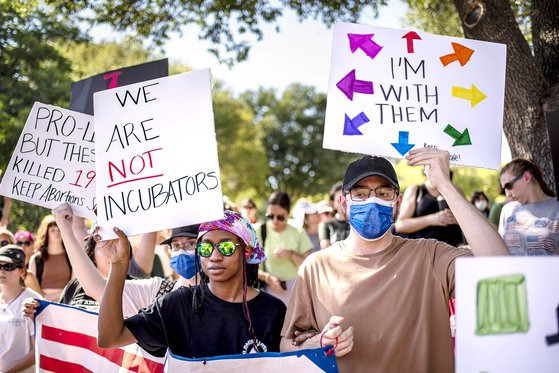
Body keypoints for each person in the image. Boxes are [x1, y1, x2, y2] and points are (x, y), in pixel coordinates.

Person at [280, 149, 509, 373]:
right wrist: (319, 343)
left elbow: (502, 269)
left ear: (397, 203)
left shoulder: (430, 256)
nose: (372, 201)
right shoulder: (316, 267)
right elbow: (287, 345)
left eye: (383, 193)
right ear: (343, 203)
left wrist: (445, 186)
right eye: (360, 194)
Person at [97, 211, 286, 358]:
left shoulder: (274, 311)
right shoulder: (178, 304)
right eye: (205, 248)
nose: (214, 257)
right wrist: (119, 264)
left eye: (226, 247)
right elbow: (110, 337)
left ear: (246, 252)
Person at [256, 192, 313, 305]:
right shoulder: (258, 231)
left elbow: (309, 267)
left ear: (288, 213)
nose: (275, 220)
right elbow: (247, 266)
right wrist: (267, 278)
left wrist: (292, 254)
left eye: (280, 217)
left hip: (295, 290)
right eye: (271, 216)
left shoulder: (298, 232)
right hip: (267, 290)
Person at [498, 158, 559, 255]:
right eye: (504, 190)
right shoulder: (507, 210)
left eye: (508, 186)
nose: (507, 194)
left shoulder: (556, 208)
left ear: (527, 177)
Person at [395, 169, 464, 246]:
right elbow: (400, 225)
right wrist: (433, 219)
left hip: (451, 248)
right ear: (425, 169)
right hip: (421, 248)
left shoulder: (456, 190)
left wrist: (458, 220)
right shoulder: (415, 190)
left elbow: (470, 222)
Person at [0, 245, 42, 373]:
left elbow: (39, 349)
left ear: (22, 271)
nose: (2, 271)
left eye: (8, 266)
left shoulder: (33, 301)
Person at [28, 215, 72, 301]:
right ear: (46, 232)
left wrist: (51, 298)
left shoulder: (71, 257)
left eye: (59, 229)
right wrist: (44, 299)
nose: (57, 233)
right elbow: (31, 286)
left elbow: (75, 285)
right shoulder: (36, 259)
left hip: (66, 303)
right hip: (42, 304)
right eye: (53, 230)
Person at [319, 182, 350, 249]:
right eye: (339, 201)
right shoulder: (326, 225)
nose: (343, 203)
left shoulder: (357, 223)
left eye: (345, 200)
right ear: (333, 203)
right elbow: (325, 250)